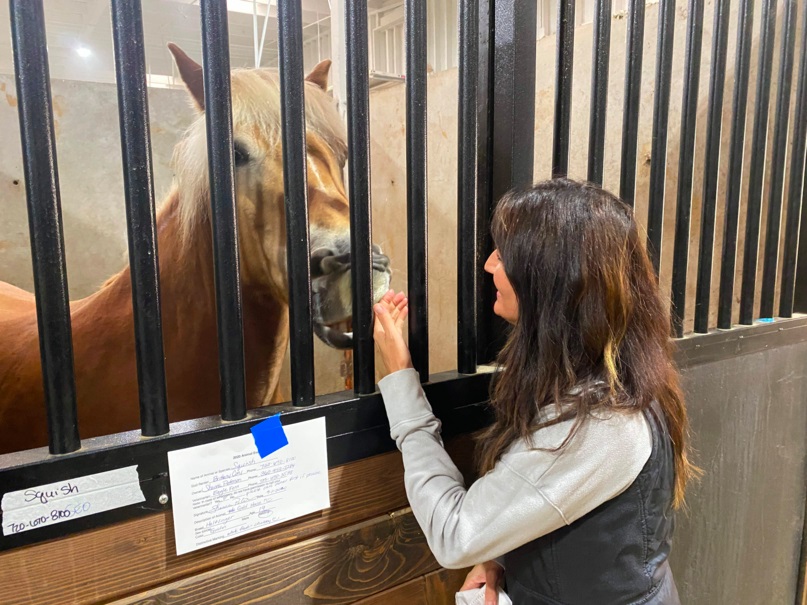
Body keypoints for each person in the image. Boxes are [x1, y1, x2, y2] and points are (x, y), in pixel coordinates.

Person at [372, 178, 699, 604]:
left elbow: (454, 534)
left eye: (505, 255)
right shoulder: (618, 381)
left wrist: (400, 377)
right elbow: (567, 508)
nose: (489, 264)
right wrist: (504, 553)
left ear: (552, 278)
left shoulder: (600, 423)